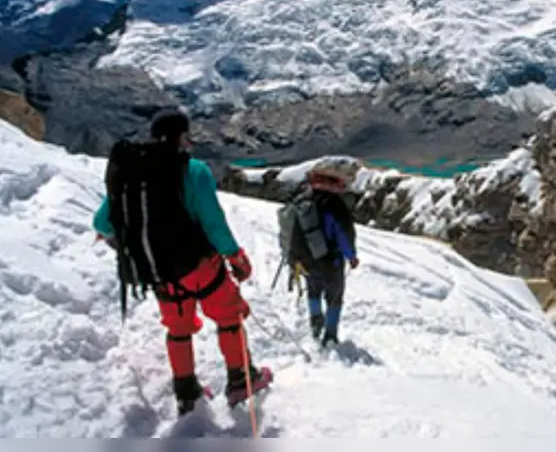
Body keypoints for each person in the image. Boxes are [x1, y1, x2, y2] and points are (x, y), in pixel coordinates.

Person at [92, 107, 271, 415]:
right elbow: (213, 222)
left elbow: (102, 222)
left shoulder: (133, 173)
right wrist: (235, 256)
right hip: (198, 265)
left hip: (160, 271)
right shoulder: (194, 170)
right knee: (228, 316)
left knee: (178, 327)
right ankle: (241, 378)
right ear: (182, 136)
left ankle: (186, 390)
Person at [279, 163, 360, 347]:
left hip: (305, 261)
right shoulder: (335, 206)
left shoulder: (301, 201)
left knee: (313, 291)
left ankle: (315, 322)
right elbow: (343, 235)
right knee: (334, 297)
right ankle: (330, 335)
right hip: (331, 262)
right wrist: (352, 256)